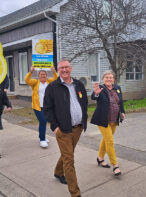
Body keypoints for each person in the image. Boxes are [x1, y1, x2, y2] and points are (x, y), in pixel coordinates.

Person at [44, 59, 88, 197]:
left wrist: (83, 118)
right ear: (58, 70)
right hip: (63, 130)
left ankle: (58, 172)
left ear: (71, 68)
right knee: (69, 160)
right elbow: (47, 108)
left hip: (78, 128)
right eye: (61, 67)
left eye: (66, 67)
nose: (64, 70)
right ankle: (75, 193)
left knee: (67, 154)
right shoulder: (52, 87)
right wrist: (55, 127)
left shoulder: (79, 84)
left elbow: (84, 102)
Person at [90, 70, 125, 176]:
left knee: (106, 139)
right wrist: (96, 94)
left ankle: (100, 158)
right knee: (109, 141)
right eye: (107, 77)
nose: (109, 79)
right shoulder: (100, 88)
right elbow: (93, 96)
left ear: (113, 79)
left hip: (114, 119)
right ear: (103, 79)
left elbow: (121, 101)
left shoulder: (117, 88)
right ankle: (115, 165)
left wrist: (122, 112)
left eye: (110, 77)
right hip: (102, 120)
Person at [25, 66, 58, 148]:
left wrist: (54, 71)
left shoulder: (49, 82)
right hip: (38, 106)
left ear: (46, 75)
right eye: (41, 74)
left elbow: (57, 79)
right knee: (43, 121)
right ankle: (42, 140)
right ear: (38, 75)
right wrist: (30, 72)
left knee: (43, 122)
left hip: (47, 107)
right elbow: (27, 80)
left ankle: (41, 136)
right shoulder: (35, 83)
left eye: (44, 74)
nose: (43, 76)